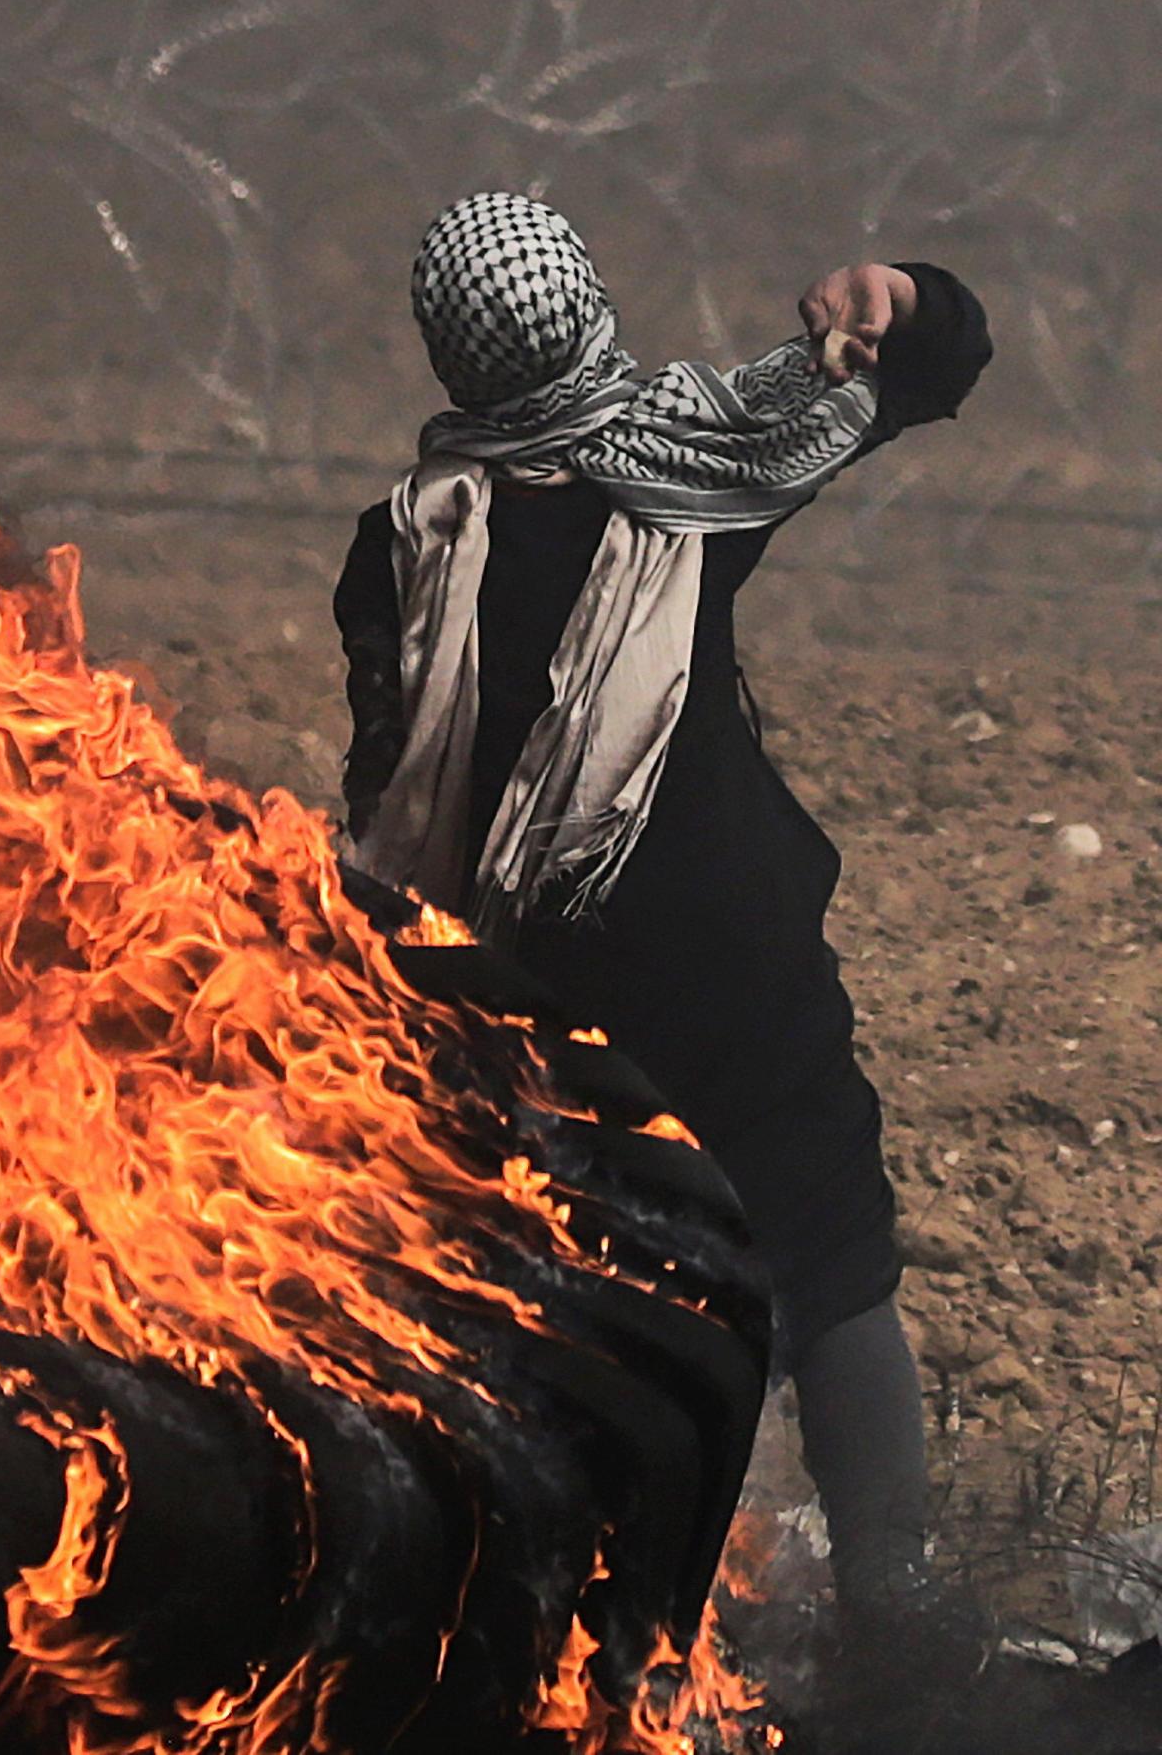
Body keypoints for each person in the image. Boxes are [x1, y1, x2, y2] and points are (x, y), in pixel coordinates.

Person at [331, 193, 994, 1615]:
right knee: (829, 1272)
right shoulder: (690, 469)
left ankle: (603, 1619)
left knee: (587, 1307)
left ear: (455, 359)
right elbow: (931, 368)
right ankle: (891, 1604)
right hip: (734, 966)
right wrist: (901, 294)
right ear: (583, 312)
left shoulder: (400, 544)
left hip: (539, 1006)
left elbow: (384, 784)